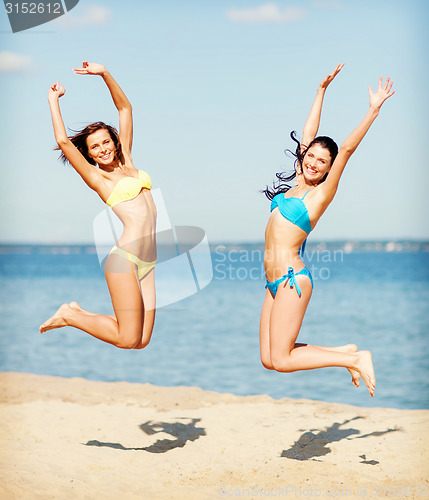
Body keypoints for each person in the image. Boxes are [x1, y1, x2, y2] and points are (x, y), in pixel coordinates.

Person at [260, 64, 395, 396]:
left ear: (329, 169)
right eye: (312, 156)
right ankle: (347, 354)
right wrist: (321, 91)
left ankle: (354, 357)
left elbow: (346, 149)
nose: (314, 162)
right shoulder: (295, 183)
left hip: (293, 279)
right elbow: (308, 134)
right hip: (272, 283)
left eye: (323, 161)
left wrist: (373, 111)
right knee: (269, 359)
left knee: (283, 357)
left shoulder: (320, 194)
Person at [39, 62, 157, 349]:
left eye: (106, 142)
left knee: (140, 341)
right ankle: (69, 315)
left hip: (149, 260)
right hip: (124, 260)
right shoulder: (98, 178)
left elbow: (125, 109)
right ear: (89, 154)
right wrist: (53, 101)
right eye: (95, 147)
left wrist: (104, 73)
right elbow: (62, 141)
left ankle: (77, 312)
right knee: (126, 337)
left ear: (114, 143)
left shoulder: (128, 161)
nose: (103, 149)